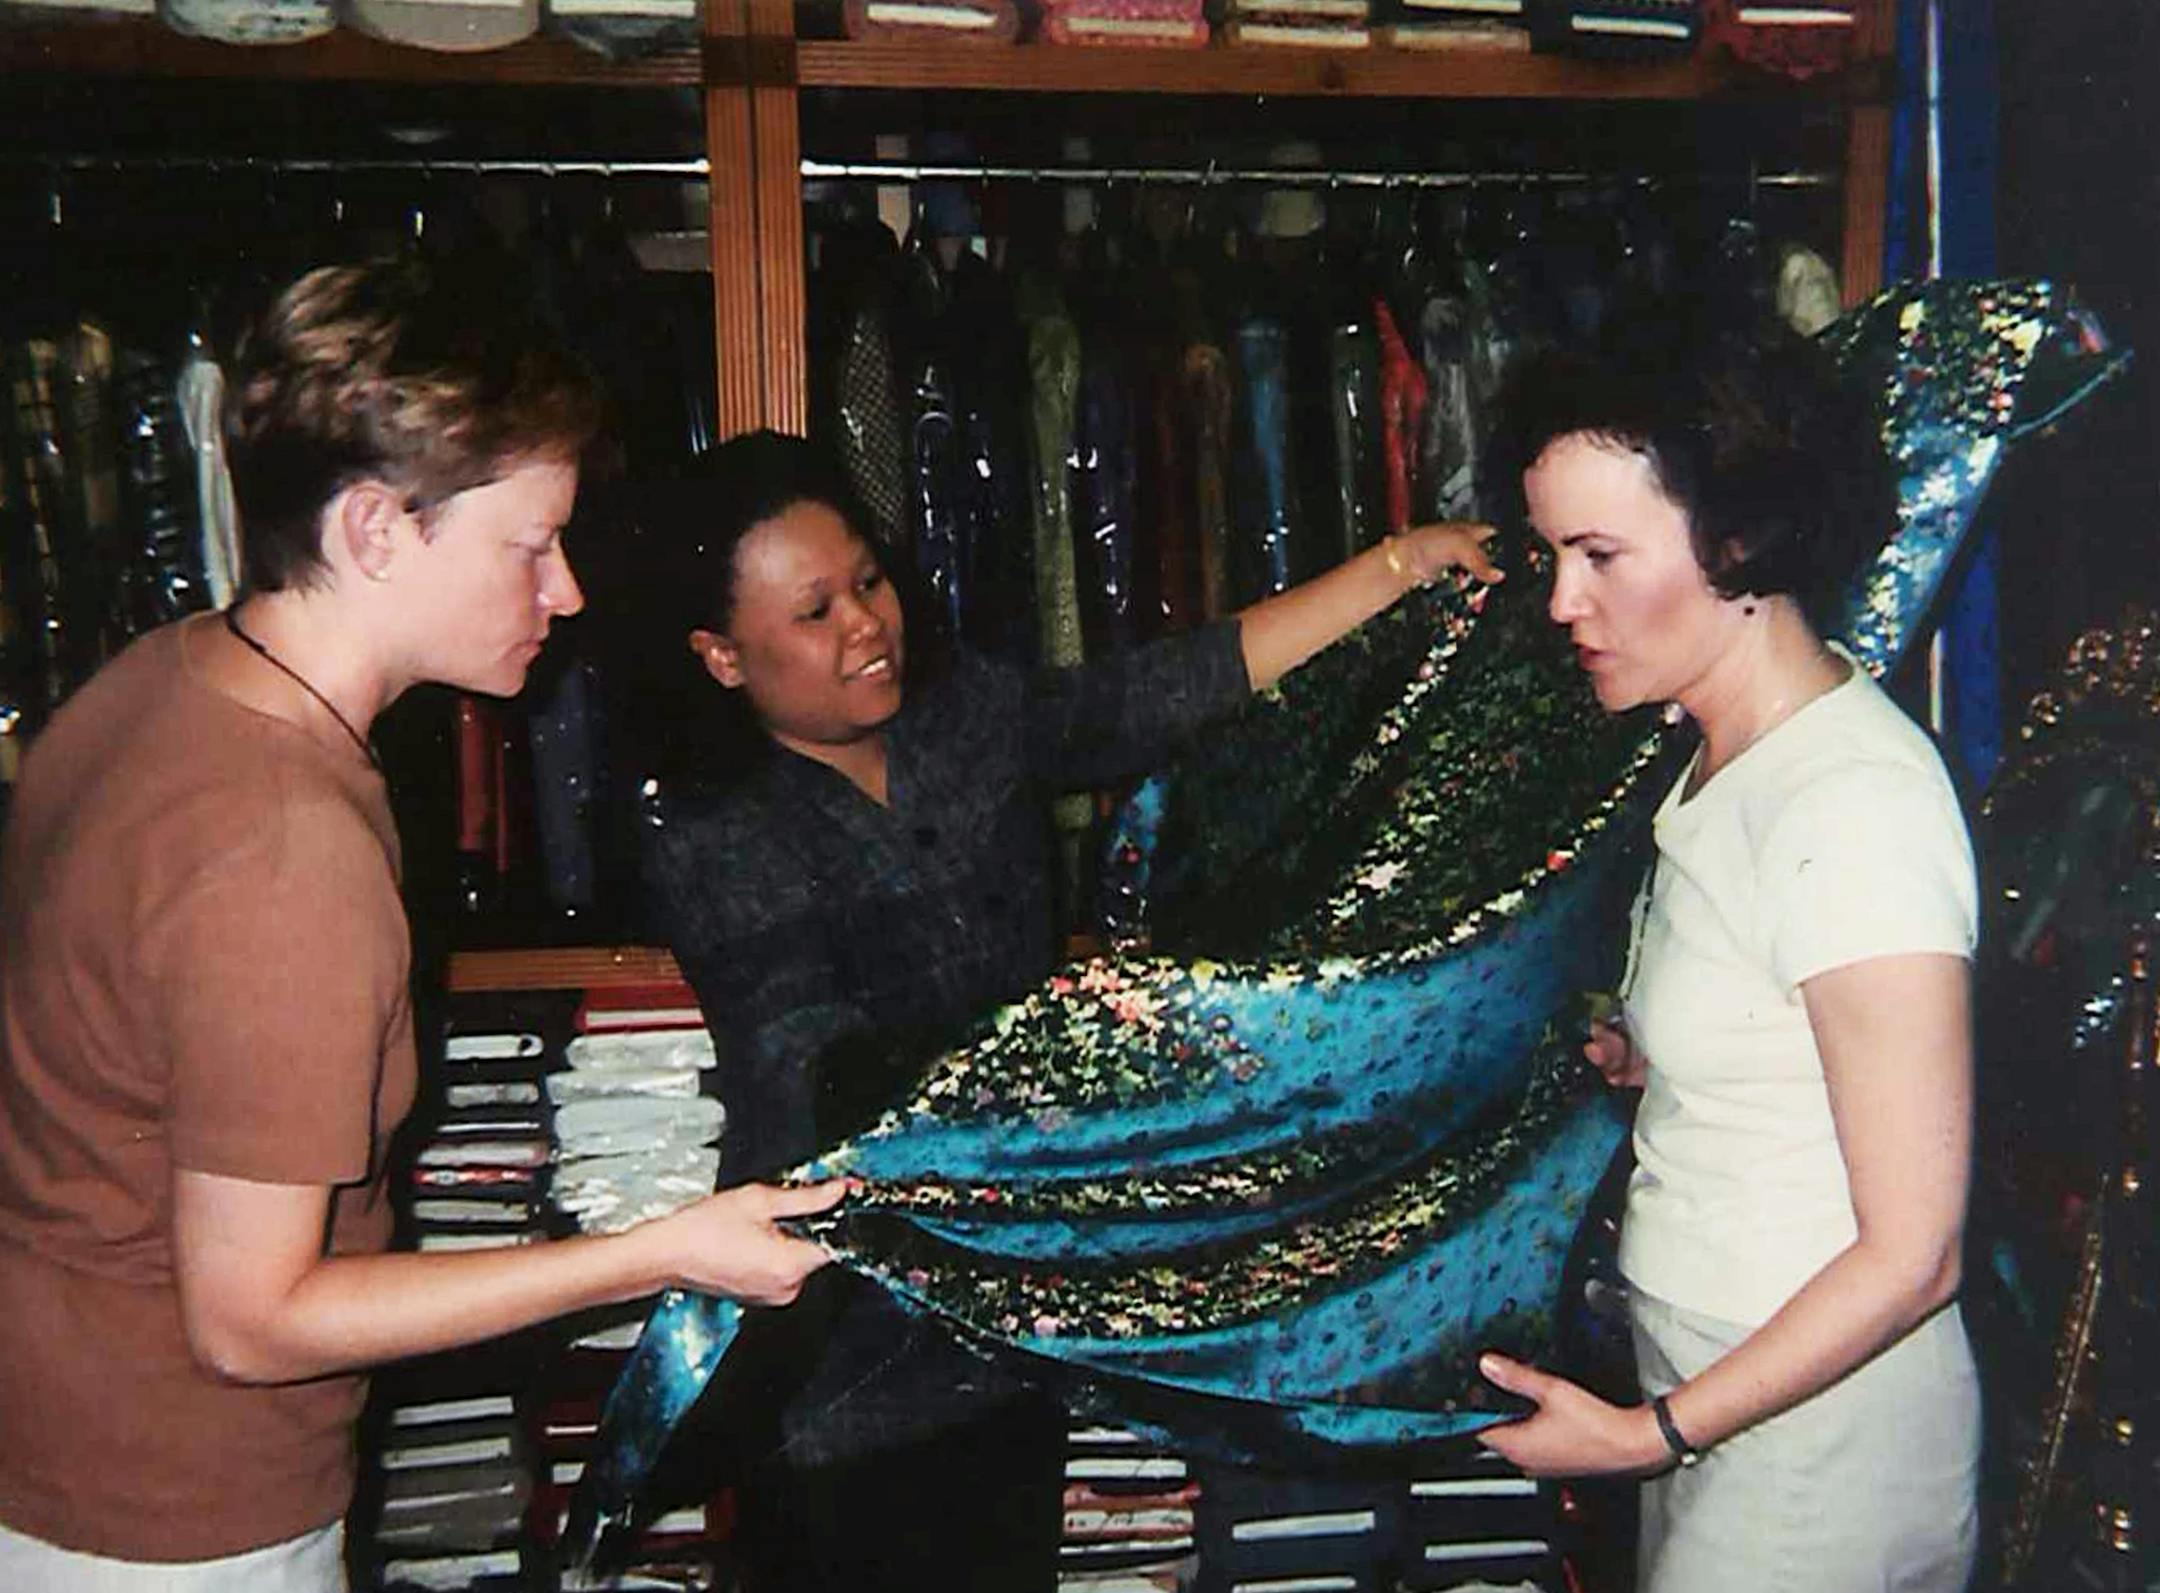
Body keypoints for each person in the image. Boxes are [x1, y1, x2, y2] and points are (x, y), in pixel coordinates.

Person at [0, 260, 840, 1592]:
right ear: (378, 531)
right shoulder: (284, 851)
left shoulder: (159, 682)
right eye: (531, 544)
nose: (564, 591)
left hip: (53, 1442)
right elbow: (254, 1317)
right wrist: (660, 1249)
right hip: (170, 1518)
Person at [630, 429, 1501, 1591]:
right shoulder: (711, 832)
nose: (865, 625)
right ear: (722, 657)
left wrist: (1401, 565)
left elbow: (1159, 693)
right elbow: (821, 1069)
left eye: (870, 582)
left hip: (1018, 1319)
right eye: (814, 611)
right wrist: (1129, 1051)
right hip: (839, 1340)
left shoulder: (964, 718)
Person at [1474, 310, 1982, 1591]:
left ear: (1740, 538)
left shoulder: (1849, 803)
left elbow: (1916, 1254)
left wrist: (1648, 1438)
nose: (1561, 602)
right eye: (1551, 554)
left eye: (1597, 554)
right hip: (1717, 1393)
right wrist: (1656, 1058)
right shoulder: (1726, 759)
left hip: (1818, 1448)